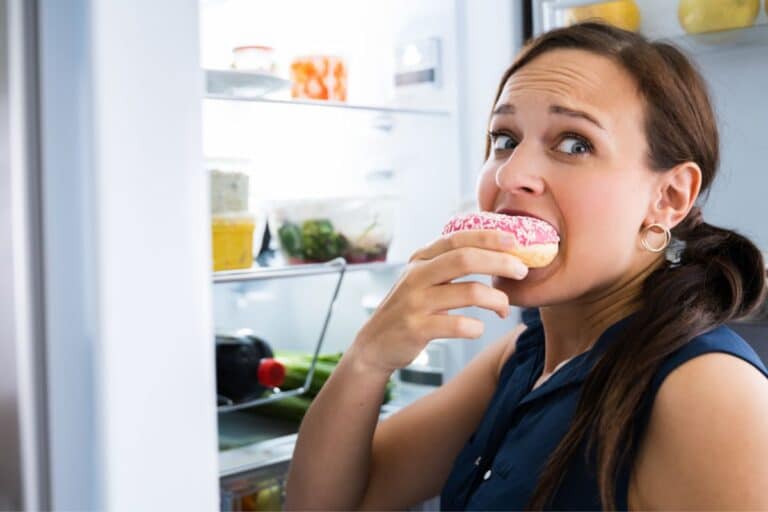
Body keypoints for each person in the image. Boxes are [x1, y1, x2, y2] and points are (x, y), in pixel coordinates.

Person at [284, 22, 768, 510]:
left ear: (669, 197)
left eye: (575, 144)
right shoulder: (522, 357)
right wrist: (368, 357)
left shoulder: (709, 391)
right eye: (505, 139)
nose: (511, 175)